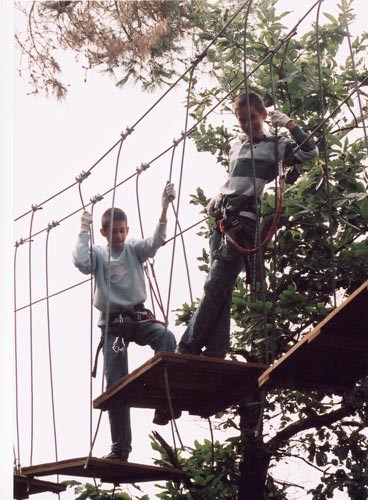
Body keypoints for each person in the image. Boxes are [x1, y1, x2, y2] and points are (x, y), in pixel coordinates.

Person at [177, 91, 319, 359]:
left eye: (252, 118)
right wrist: (220, 196)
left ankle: (188, 346)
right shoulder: (234, 145)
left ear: (264, 116)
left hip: (242, 223)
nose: (247, 124)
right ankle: (216, 350)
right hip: (220, 220)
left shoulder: (275, 145)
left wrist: (290, 125)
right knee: (222, 289)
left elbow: (311, 152)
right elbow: (236, 180)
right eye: (242, 120)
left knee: (215, 286)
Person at [73, 182, 179, 462]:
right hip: (114, 327)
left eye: (123, 231)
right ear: (104, 232)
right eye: (114, 232)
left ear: (127, 230)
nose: (119, 236)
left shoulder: (133, 248)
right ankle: (121, 450)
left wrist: (164, 210)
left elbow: (154, 243)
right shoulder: (97, 253)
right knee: (116, 385)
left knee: (165, 338)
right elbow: (81, 263)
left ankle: (163, 401)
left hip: (138, 317)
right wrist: (83, 230)